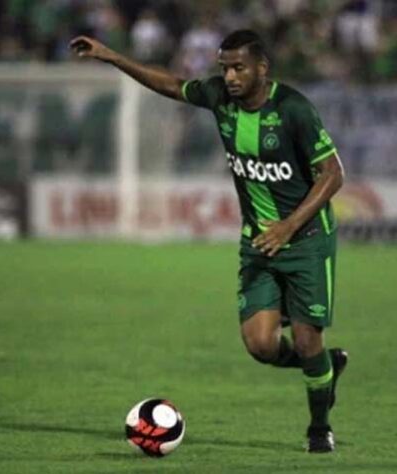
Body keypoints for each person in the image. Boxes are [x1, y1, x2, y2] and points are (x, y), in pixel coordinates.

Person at [70, 29, 348, 453]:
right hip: (257, 241)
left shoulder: (293, 109)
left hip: (306, 240)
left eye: (239, 68)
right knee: (260, 345)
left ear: (261, 68)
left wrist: (288, 226)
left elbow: (333, 175)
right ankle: (323, 368)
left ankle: (318, 427)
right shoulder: (219, 97)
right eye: (225, 68)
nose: (231, 76)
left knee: (309, 339)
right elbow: (169, 84)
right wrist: (111, 56)